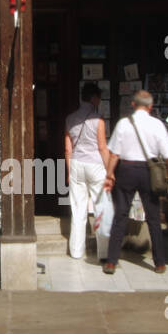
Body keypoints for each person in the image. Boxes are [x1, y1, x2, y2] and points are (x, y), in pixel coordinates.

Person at [102, 89, 168, 275]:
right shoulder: (157, 125)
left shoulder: (123, 124)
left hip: (126, 169)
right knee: (153, 218)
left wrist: (109, 175)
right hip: (148, 172)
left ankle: (111, 261)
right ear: (150, 107)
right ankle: (159, 263)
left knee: (121, 216)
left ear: (133, 105)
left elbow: (114, 154)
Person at [64, 82, 110, 260]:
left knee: (78, 210)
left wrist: (68, 173)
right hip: (96, 166)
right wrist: (110, 171)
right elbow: (102, 147)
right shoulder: (97, 120)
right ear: (94, 98)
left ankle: (76, 251)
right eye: (98, 97)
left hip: (76, 164)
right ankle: (103, 253)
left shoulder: (70, 119)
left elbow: (68, 149)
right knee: (100, 208)